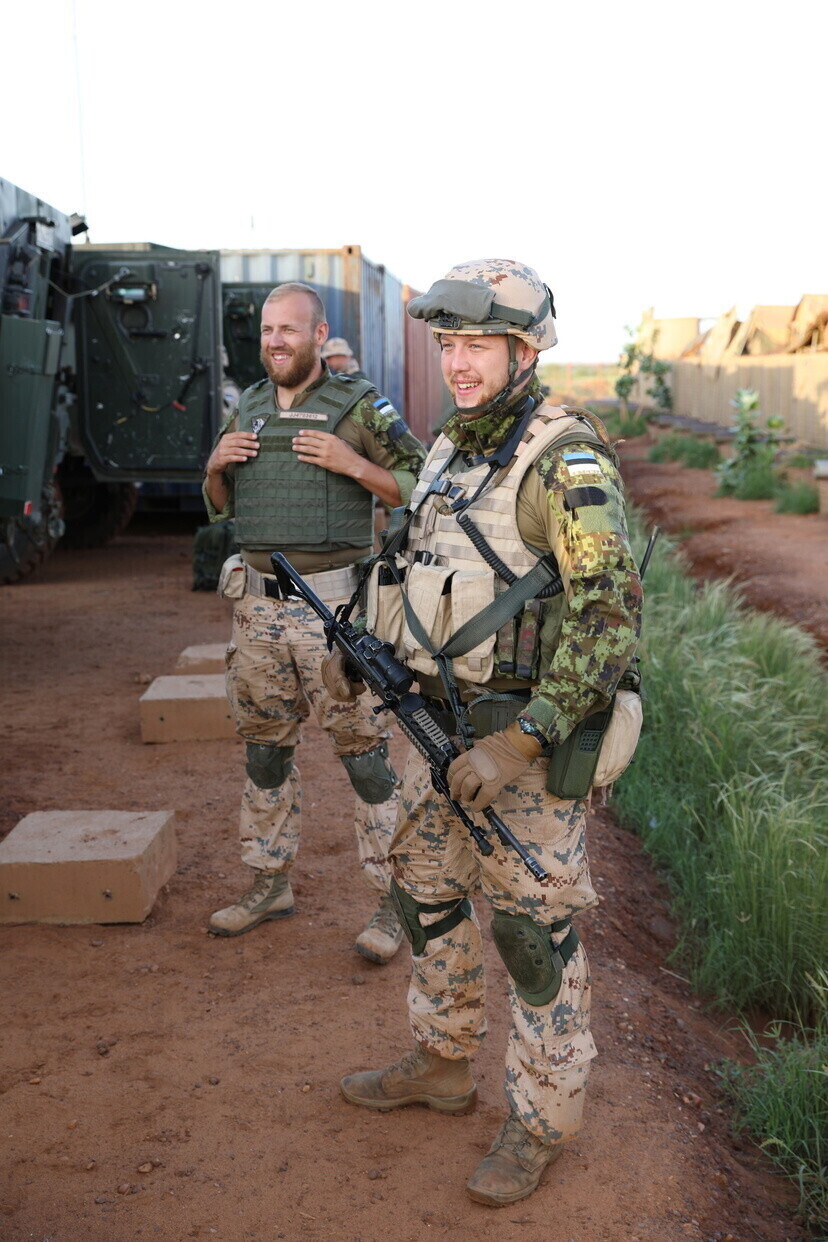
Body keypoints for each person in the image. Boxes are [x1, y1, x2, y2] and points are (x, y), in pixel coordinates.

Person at [329, 260, 643, 1204]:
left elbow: (608, 618)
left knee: (530, 935)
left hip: (523, 754)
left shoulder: (564, 461)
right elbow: (420, 565)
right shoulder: (448, 449)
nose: (458, 364)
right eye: (449, 345)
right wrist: (368, 639)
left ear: (524, 350)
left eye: (478, 346)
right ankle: (442, 1061)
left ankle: (541, 1123)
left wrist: (523, 742)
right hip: (437, 734)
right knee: (425, 895)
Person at [202, 282, 426, 963]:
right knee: (264, 751)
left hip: (333, 616)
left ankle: (396, 902)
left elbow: (423, 483)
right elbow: (219, 504)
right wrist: (213, 469)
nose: (275, 342)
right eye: (268, 330)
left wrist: (354, 464)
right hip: (255, 610)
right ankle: (269, 883)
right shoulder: (249, 404)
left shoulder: (359, 405)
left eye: (289, 330)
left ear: (318, 334)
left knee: (365, 759)